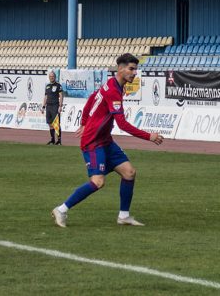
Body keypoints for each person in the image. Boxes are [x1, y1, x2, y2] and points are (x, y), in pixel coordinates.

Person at [51, 53, 164, 227]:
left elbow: (92, 98)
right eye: (131, 69)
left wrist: (84, 122)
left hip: (105, 140)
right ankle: (61, 209)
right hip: (93, 142)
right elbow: (123, 124)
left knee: (129, 173)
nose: (134, 73)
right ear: (120, 68)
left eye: (136, 69)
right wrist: (149, 136)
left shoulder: (113, 85)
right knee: (98, 181)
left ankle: (124, 216)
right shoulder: (113, 90)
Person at [43, 70, 64, 145]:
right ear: (49, 77)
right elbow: (46, 96)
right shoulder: (47, 86)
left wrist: (60, 106)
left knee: (56, 123)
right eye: (50, 76)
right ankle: (52, 140)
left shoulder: (58, 85)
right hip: (48, 106)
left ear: (55, 77)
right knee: (50, 124)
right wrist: (43, 106)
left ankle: (59, 140)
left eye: (53, 76)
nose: (51, 78)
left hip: (55, 106)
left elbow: (61, 96)